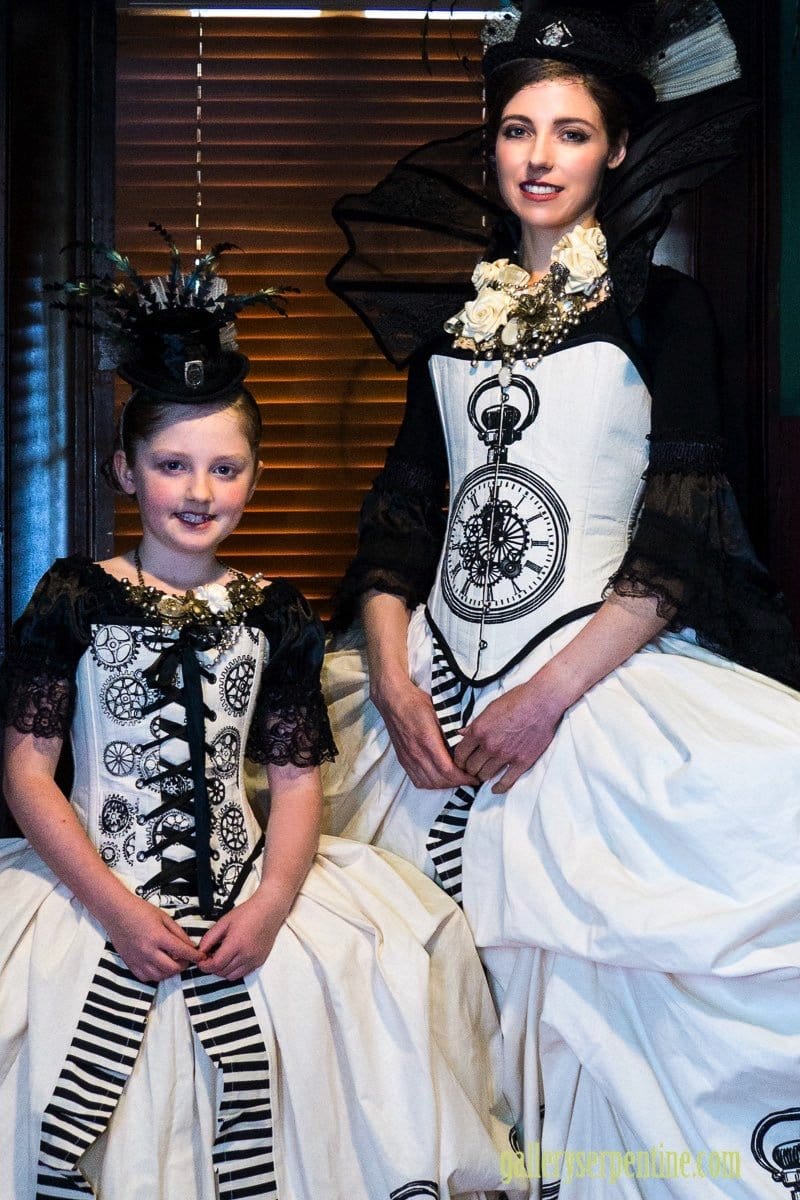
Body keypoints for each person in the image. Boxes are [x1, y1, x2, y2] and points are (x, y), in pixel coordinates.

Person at [322, 3, 800, 1195]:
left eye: (571, 132)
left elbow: (678, 533)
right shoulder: (448, 322)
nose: (539, 156)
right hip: (419, 706)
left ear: (617, 151)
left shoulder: (664, 311)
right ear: (488, 146)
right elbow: (394, 524)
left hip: (588, 697)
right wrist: (387, 677)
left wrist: (543, 700)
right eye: (517, 129)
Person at [0, 237, 518, 1199]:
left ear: (255, 474)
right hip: (91, 898)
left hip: (254, 897)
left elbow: (293, 780)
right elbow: (28, 772)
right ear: (125, 470)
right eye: (172, 464)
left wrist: (274, 903)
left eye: (225, 469)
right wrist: (114, 909)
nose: (199, 493)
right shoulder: (71, 596)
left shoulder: (276, 612)